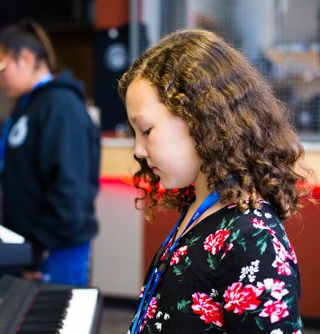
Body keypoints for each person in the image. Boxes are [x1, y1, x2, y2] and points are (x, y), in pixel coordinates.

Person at [118, 29, 310, 333]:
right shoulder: (201, 206)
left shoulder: (250, 240)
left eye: (147, 131)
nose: (139, 150)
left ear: (200, 117)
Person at [0, 18, 100, 287]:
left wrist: (34, 252)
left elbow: (70, 194)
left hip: (54, 250)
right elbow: (14, 175)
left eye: (1, 68)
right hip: (29, 247)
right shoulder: (26, 106)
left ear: (24, 58)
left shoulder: (61, 106)